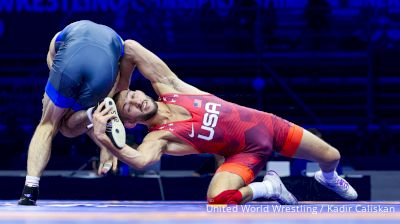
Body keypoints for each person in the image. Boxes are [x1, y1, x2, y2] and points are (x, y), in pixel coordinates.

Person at [91, 40, 358, 205]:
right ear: (130, 122)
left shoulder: (172, 87)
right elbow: (139, 160)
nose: (137, 100)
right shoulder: (159, 137)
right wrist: (104, 138)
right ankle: (269, 187)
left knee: (332, 156)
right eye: (130, 107)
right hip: (243, 156)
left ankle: (328, 177)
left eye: (134, 94)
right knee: (218, 200)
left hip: (269, 127)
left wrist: (119, 93)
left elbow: (130, 47)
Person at [18, 20, 131, 206]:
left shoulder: (58, 41)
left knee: (49, 124)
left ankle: (29, 190)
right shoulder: (117, 42)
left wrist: (52, 108)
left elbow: (57, 72)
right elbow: (118, 83)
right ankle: (93, 115)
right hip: (105, 69)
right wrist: (106, 146)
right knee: (79, 121)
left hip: (71, 61)